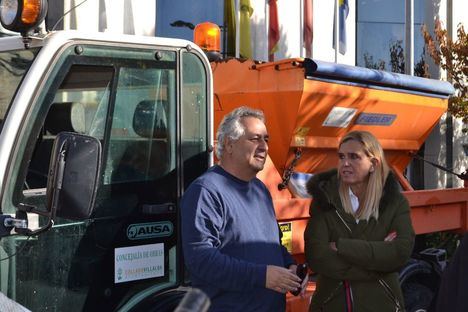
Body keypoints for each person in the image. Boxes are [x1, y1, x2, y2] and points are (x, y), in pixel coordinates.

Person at [181, 106, 305, 311]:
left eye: (266, 139)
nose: (264, 146)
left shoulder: (260, 189)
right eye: (255, 139)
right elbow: (201, 260)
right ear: (229, 144)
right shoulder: (206, 191)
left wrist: (289, 266)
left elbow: (271, 244)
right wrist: (262, 276)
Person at [304, 130, 415, 311]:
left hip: (382, 304)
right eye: (341, 157)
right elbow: (316, 255)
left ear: (373, 163)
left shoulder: (395, 203)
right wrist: (378, 260)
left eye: (354, 157)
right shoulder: (324, 201)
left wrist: (341, 246)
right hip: (331, 304)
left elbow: (399, 253)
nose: (345, 163)